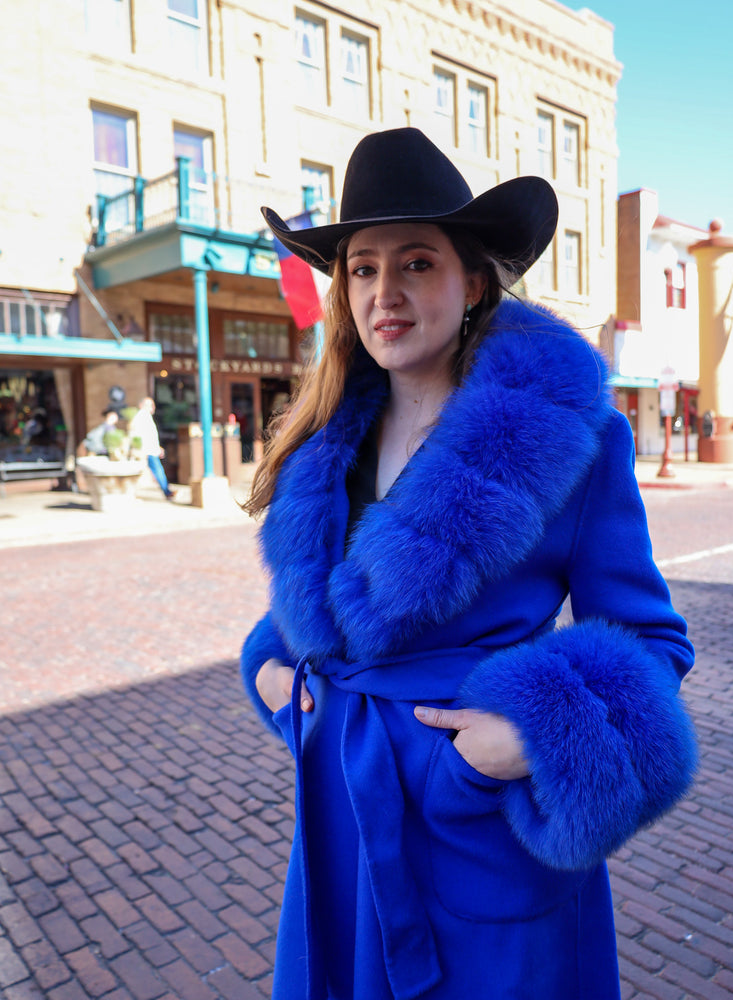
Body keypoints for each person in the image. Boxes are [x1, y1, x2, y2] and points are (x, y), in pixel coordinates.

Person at [240, 127, 697, 1000]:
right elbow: (323, 616)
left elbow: (653, 640)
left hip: (481, 836)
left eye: (417, 263)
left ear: (474, 280)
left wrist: (529, 735)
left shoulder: (576, 442)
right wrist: (268, 667)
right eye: (363, 269)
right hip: (341, 822)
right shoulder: (323, 448)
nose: (385, 292)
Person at [129, 396, 174, 499]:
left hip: (150, 450)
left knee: (154, 470)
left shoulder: (145, 417)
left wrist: (157, 447)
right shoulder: (142, 417)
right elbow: (144, 436)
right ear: (141, 405)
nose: (152, 408)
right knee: (156, 470)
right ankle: (167, 492)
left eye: (152, 405)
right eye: (149, 405)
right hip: (147, 450)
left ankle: (167, 491)